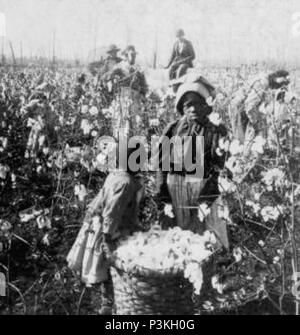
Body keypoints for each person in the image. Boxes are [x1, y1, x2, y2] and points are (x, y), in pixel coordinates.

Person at [67, 146, 144, 315]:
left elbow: (100, 198)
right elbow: (113, 211)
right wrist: (107, 236)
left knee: (108, 270)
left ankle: (107, 303)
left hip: (101, 225)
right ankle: (112, 306)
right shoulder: (126, 183)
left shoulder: (115, 176)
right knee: (114, 268)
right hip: (113, 231)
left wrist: (91, 216)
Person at [156, 75, 229, 248]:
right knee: (180, 242)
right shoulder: (173, 129)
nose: (193, 108)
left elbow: (220, 172)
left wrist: (204, 205)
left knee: (208, 241)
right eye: (188, 104)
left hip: (204, 191)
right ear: (181, 107)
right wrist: (164, 201)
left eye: (197, 103)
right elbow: (161, 166)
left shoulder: (216, 131)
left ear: (206, 105)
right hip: (176, 191)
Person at [229, 69, 290, 146]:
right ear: (276, 80)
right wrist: (256, 124)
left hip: (240, 107)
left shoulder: (264, 78)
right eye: (281, 84)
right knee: (240, 141)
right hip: (238, 108)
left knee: (245, 139)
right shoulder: (263, 83)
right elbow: (250, 106)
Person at [104, 45, 148, 139]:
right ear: (126, 55)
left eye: (134, 55)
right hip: (123, 96)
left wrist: (143, 94)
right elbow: (107, 77)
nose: (133, 57)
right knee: (123, 119)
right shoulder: (120, 66)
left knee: (135, 120)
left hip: (135, 97)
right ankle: (122, 141)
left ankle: (135, 142)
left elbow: (144, 84)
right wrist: (113, 80)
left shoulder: (138, 68)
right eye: (131, 55)